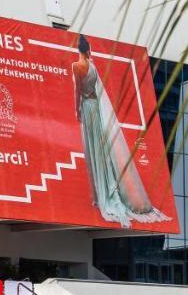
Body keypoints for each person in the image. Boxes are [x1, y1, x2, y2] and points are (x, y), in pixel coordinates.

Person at [71, 35, 170, 226]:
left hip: (87, 108)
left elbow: (77, 91)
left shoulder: (77, 67)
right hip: (95, 108)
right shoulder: (93, 66)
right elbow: (97, 90)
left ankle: (101, 195)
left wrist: (77, 109)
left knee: (93, 150)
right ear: (88, 49)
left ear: (78, 50)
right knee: (100, 150)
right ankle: (104, 190)